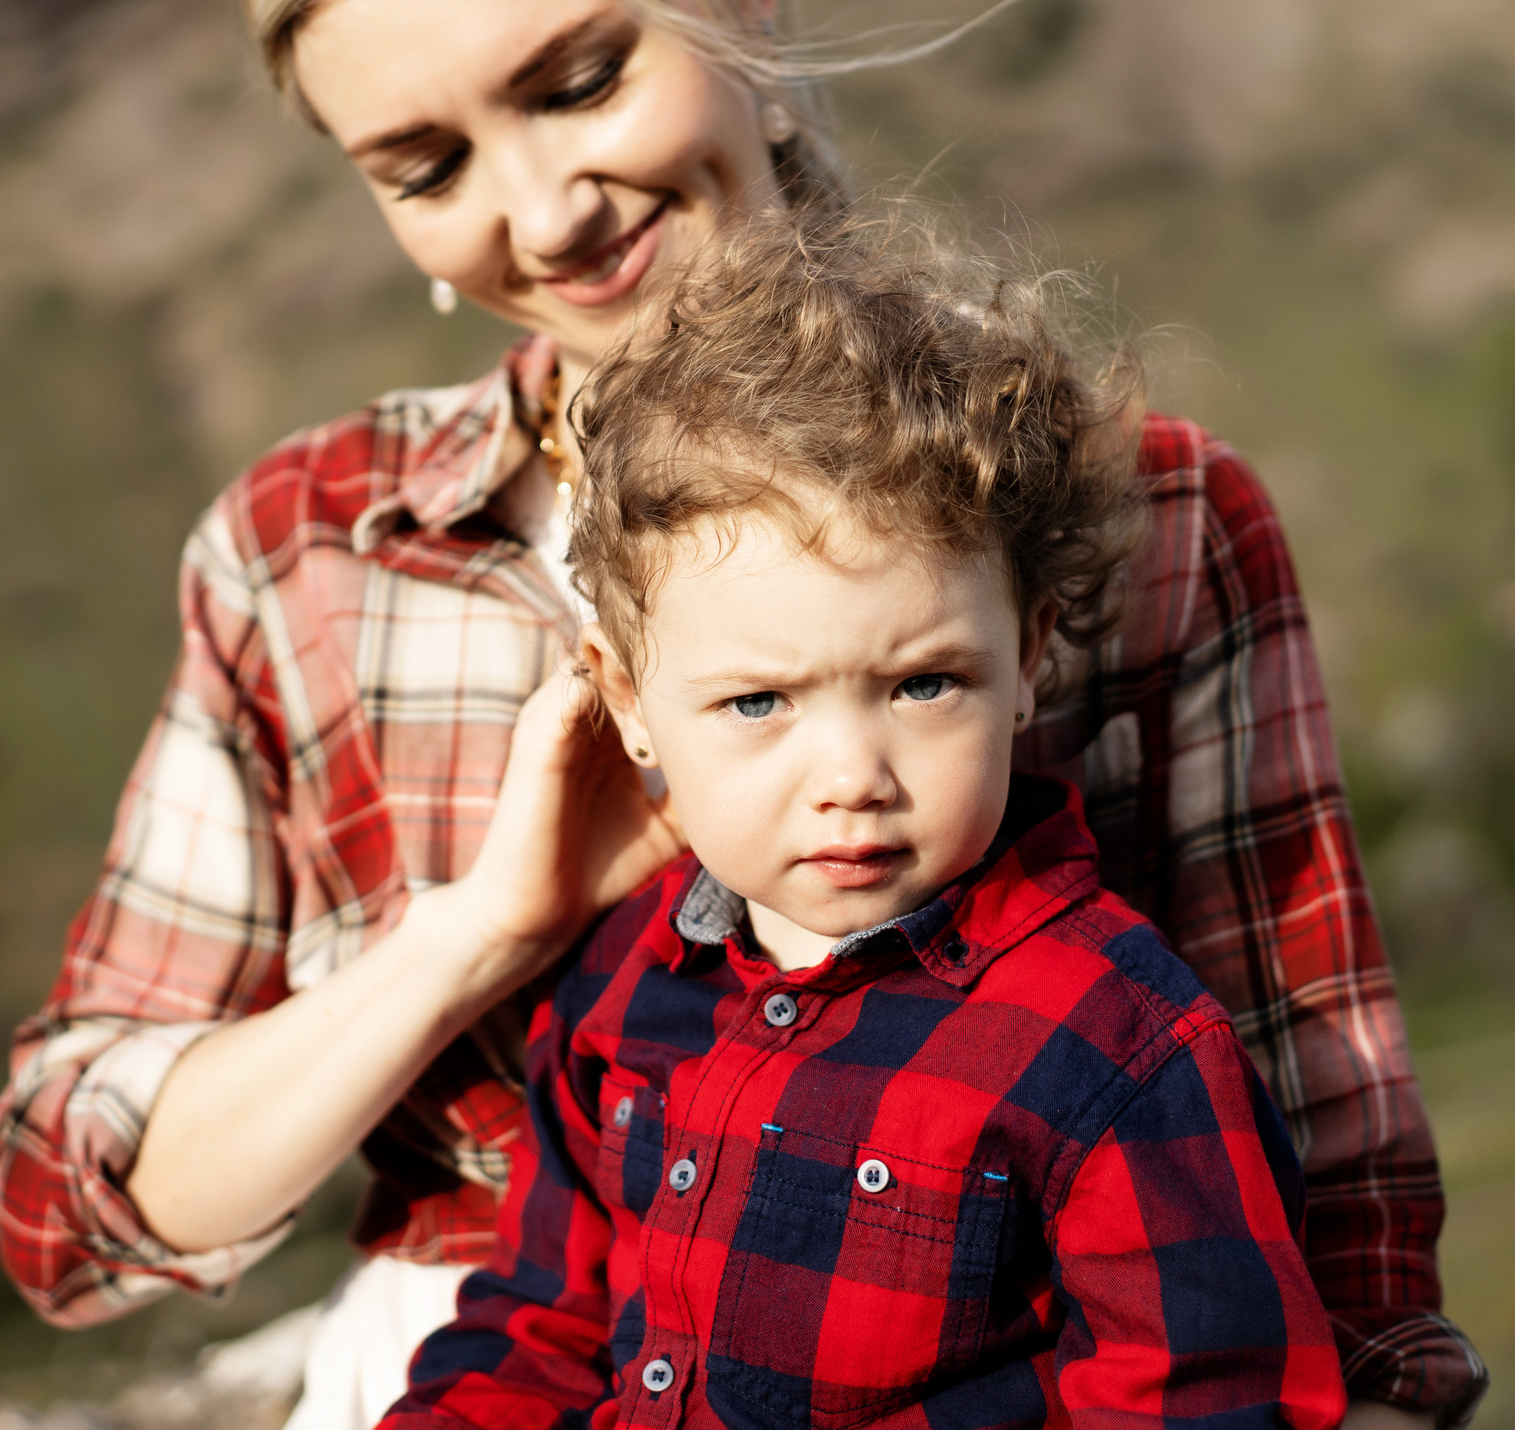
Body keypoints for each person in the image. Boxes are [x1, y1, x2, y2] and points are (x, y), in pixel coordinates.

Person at [0, 0, 1485, 1426]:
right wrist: (482, 935)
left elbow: (1333, 1186)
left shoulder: (1145, 511)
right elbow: (63, 1210)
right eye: (427, 166)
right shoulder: (311, 552)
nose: (542, 213)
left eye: (578, 81)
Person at [381, 217, 1347, 1430]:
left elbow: (1202, 1402)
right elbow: (536, 1326)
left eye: (921, 685)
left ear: (1029, 653)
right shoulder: (622, 993)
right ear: (627, 700)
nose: (851, 775)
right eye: (757, 703)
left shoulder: (1116, 1048)